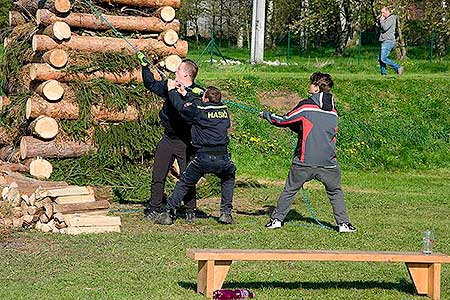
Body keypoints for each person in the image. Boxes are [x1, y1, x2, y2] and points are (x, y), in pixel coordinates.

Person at [260, 72, 356, 233]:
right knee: (335, 192)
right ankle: (344, 224)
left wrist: (267, 115)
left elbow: (284, 120)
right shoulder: (334, 111)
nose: (309, 86)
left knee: (290, 189)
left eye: (311, 83)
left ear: (317, 88)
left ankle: (276, 220)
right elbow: (314, 128)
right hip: (329, 162)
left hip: (304, 161)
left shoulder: (306, 106)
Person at [137, 52, 205, 223]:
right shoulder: (170, 87)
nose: (175, 72)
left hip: (186, 141)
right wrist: (145, 66)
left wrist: (183, 93)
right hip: (168, 139)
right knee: (158, 175)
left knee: (187, 177)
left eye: (178, 70)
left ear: (186, 74)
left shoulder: (196, 95)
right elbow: (150, 84)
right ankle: (154, 208)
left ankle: (190, 210)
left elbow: (186, 109)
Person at [155, 85, 236, 225]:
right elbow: (203, 105)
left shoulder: (199, 110)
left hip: (203, 158)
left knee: (185, 182)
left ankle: (168, 212)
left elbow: (181, 107)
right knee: (228, 178)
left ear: (204, 98)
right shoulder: (224, 110)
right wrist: (187, 92)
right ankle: (226, 213)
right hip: (223, 158)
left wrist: (172, 91)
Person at [377, 6, 404, 76]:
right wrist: (379, 21)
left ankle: (398, 67)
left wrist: (382, 21)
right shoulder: (386, 19)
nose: (382, 14)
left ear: (387, 11)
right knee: (380, 58)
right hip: (384, 40)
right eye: (381, 12)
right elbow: (380, 26)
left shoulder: (391, 18)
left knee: (383, 58)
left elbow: (385, 27)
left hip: (388, 41)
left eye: (383, 12)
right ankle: (383, 74)